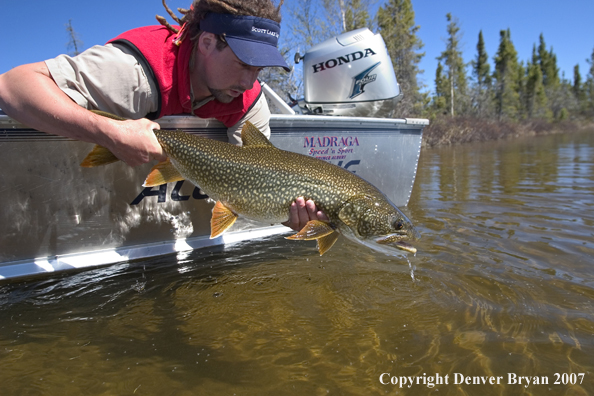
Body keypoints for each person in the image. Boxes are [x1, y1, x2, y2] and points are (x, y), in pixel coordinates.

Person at [0, 0, 327, 231]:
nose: (248, 81)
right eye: (243, 64)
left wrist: (288, 214)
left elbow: (261, 181)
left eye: (258, 69)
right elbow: (11, 87)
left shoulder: (248, 99)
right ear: (208, 43)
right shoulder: (133, 70)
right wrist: (108, 132)